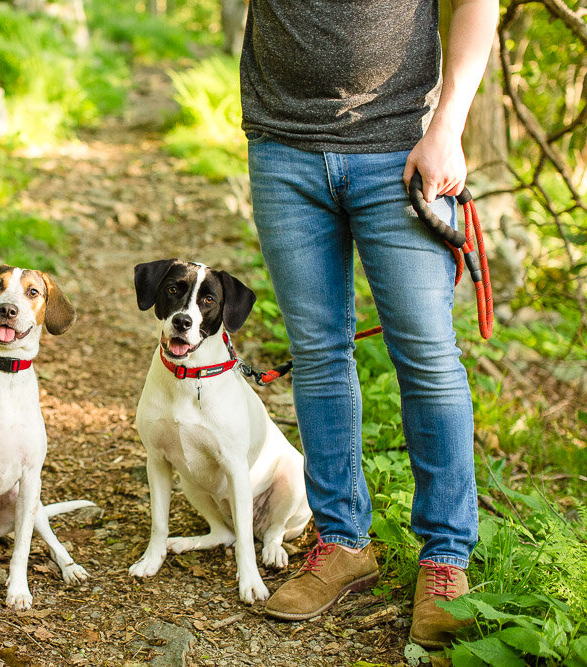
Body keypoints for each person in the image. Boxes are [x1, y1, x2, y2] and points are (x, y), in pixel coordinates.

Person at [239, 0, 498, 648]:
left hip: (403, 146)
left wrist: (450, 124)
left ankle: (444, 561)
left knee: (429, 355)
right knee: (319, 353)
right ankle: (342, 541)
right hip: (283, 150)